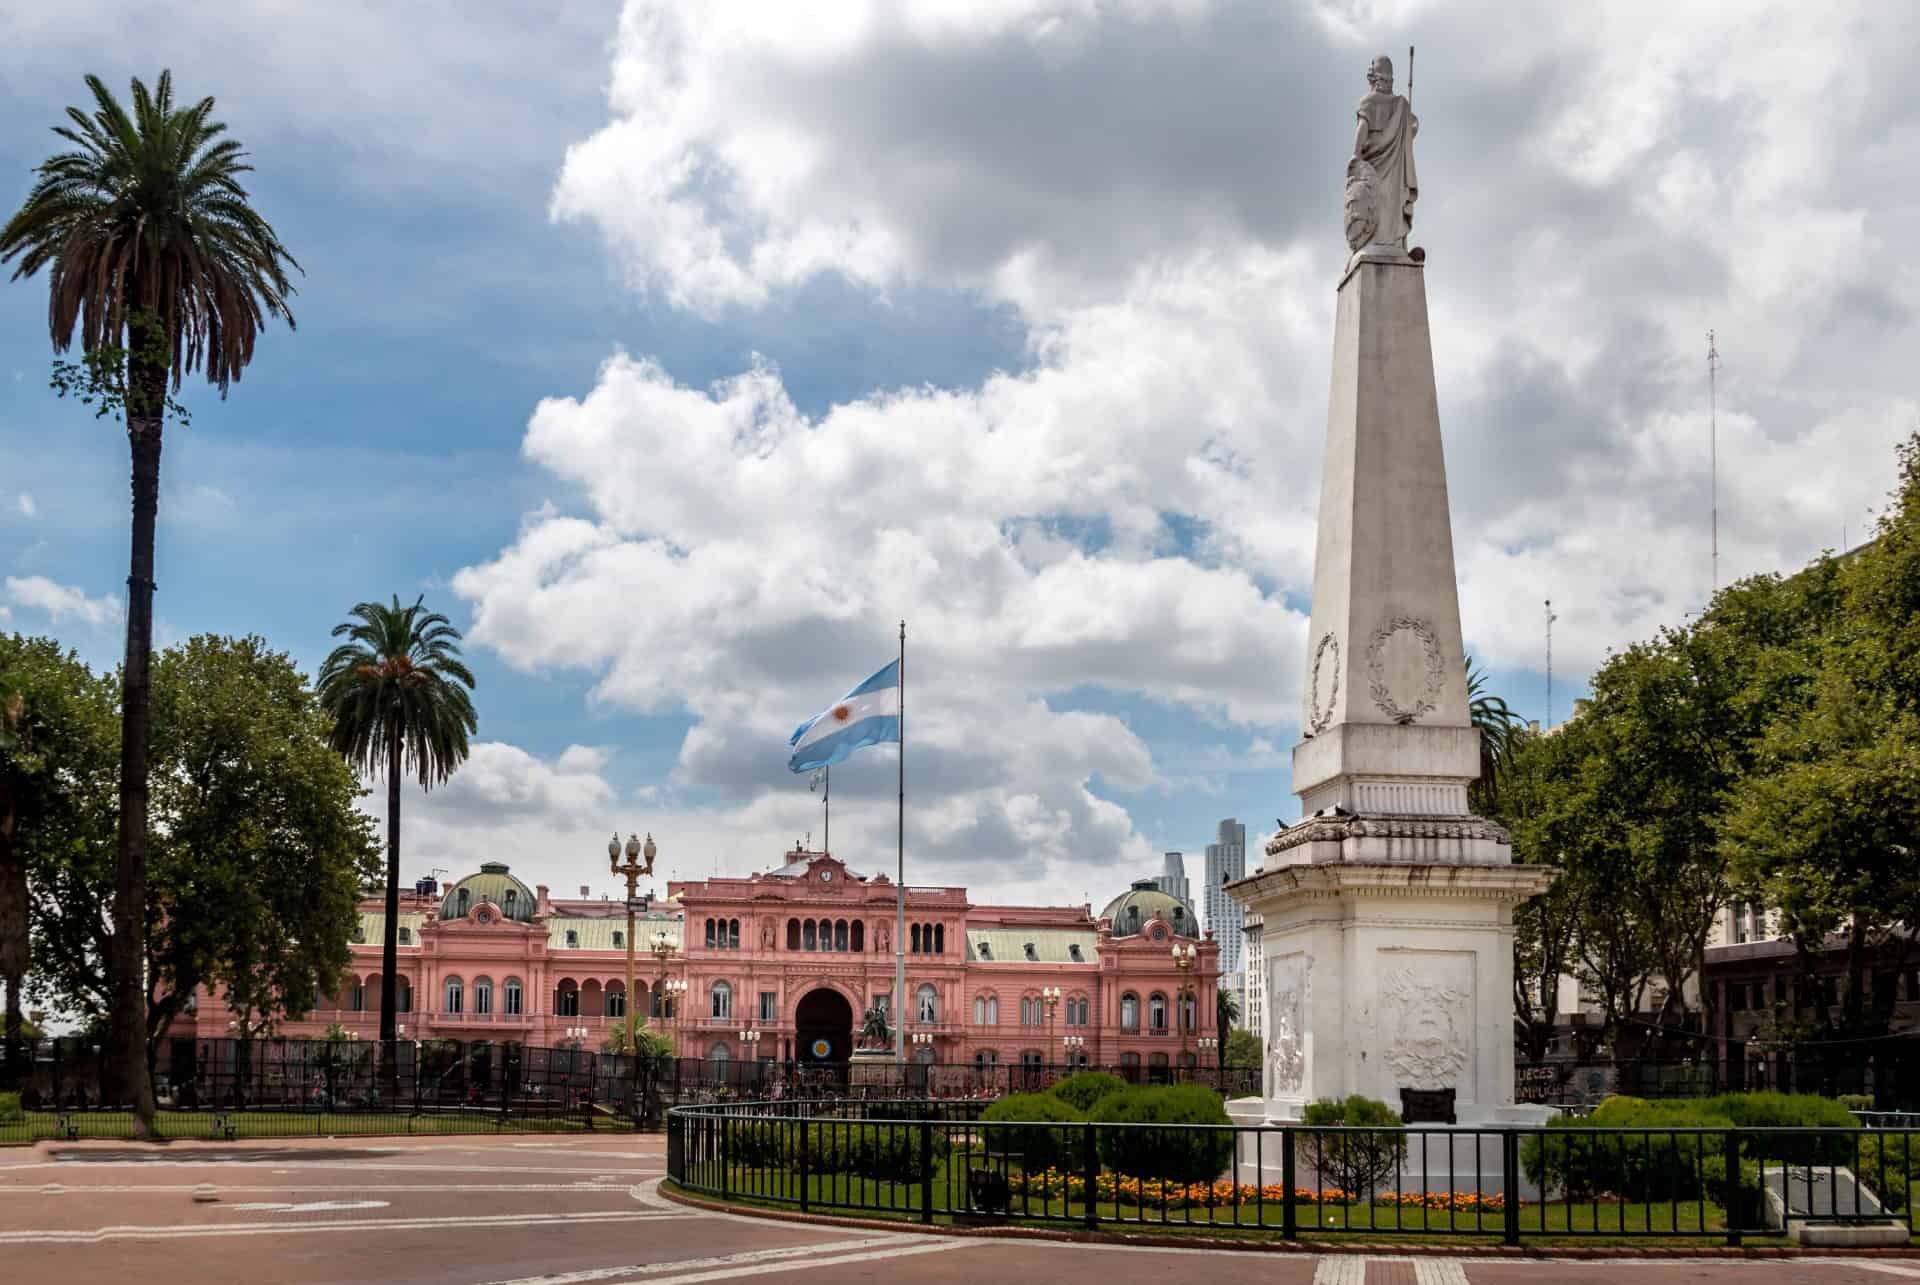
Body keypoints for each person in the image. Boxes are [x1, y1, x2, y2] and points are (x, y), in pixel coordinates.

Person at [1349, 54, 1419, 252]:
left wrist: (1355, 154)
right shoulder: (1401, 105)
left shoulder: (1368, 101)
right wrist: (1404, 130)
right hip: (1394, 165)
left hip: (1373, 165)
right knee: (1391, 204)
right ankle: (1392, 244)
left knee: (1375, 202)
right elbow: (1413, 129)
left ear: (1373, 77)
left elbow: (1363, 127)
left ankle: (1375, 243)